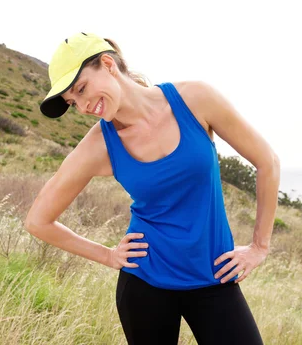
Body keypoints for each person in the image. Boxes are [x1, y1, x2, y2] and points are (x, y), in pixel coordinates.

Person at [24, 32, 280, 344]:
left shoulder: (195, 99)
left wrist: (259, 247)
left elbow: (267, 162)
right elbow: (38, 220)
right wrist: (107, 256)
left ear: (107, 64)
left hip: (214, 276)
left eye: (81, 89)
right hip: (145, 283)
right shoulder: (98, 146)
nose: (82, 106)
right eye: (72, 102)